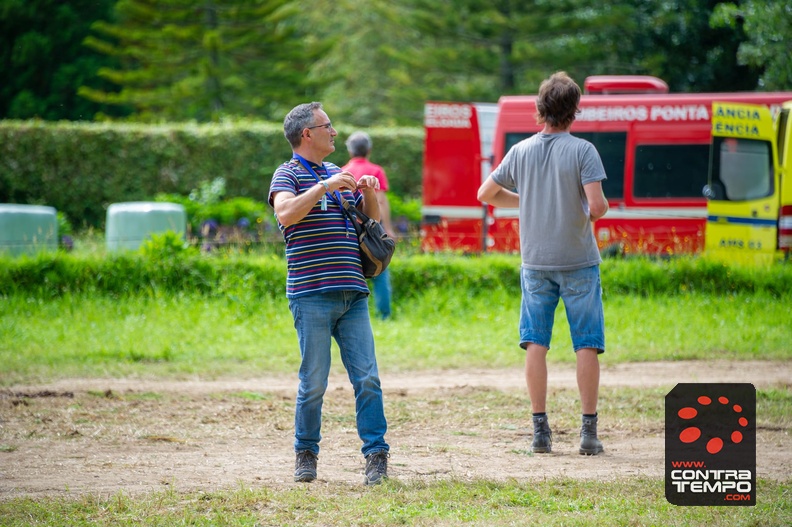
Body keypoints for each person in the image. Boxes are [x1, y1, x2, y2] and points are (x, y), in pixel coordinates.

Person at [477, 72, 609, 456]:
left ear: (541, 109)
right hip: (579, 262)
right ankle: (588, 433)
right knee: (586, 344)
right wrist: (589, 207)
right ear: (574, 111)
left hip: (535, 262)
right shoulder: (584, 150)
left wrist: (529, 199)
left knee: (536, 342)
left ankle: (540, 432)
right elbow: (596, 206)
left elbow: (486, 193)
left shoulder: (520, 151)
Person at [268, 102, 390, 485]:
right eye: (327, 125)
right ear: (307, 134)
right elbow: (285, 214)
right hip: (310, 294)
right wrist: (323, 186)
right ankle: (305, 453)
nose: (334, 132)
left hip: (352, 292)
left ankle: (377, 456)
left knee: (368, 379)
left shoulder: (340, 172)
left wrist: (368, 190)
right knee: (314, 381)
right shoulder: (286, 174)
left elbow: (372, 221)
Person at [343, 131, 394, 319]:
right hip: (372, 230)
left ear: (350, 151)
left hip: (349, 231)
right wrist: (387, 228)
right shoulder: (376, 170)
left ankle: (352, 312)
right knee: (380, 272)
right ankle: (384, 315)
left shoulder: (341, 171)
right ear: (369, 150)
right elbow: (380, 200)